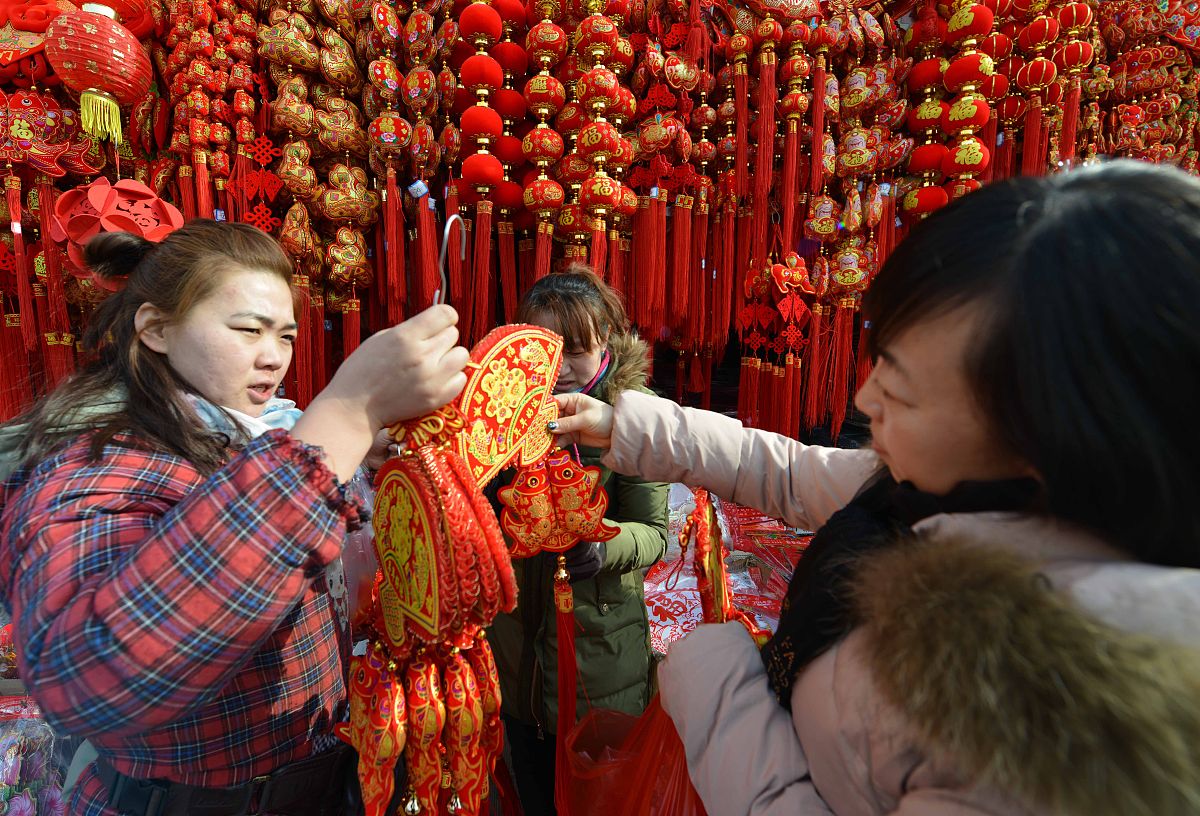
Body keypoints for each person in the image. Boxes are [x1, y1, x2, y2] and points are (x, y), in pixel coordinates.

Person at [551, 161, 1200, 815]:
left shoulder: (1054, 719)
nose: (864, 398)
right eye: (878, 368)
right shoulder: (937, 492)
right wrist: (621, 424)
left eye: (900, 392)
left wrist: (714, 683)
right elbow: (781, 470)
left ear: (1055, 434)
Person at [0, 220, 469, 816]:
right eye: (247, 330)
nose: (272, 357)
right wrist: (347, 413)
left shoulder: (241, 441)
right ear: (157, 329)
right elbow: (90, 680)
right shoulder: (93, 461)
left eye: (286, 336)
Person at [487, 266, 669, 816]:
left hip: (600, 656)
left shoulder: (635, 418)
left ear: (606, 341)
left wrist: (602, 545)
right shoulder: (502, 414)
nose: (560, 367)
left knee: (599, 794)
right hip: (518, 648)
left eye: (576, 349)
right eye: (545, 348)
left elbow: (655, 534)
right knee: (533, 782)